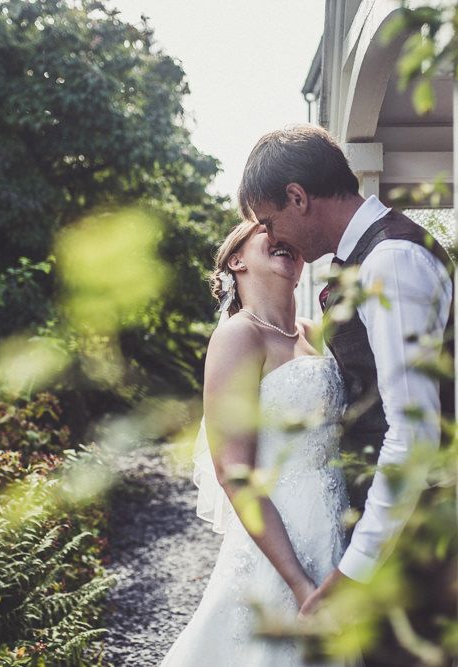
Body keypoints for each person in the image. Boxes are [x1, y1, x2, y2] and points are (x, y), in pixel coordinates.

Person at [238, 124, 455, 665]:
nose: (275, 236)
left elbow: (413, 430)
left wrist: (357, 567)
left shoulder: (391, 261)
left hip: (411, 534)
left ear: (298, 197)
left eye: (270, 221)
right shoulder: (365, 258)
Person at [160, 220, 350, 666]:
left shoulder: (312, 333)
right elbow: (234, 474)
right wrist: (299, 582)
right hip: (280, 550)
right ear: (236, 259)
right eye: (265, 228)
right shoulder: (237, 336)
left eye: (289, 235)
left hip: (333, 532)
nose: (281, 233)